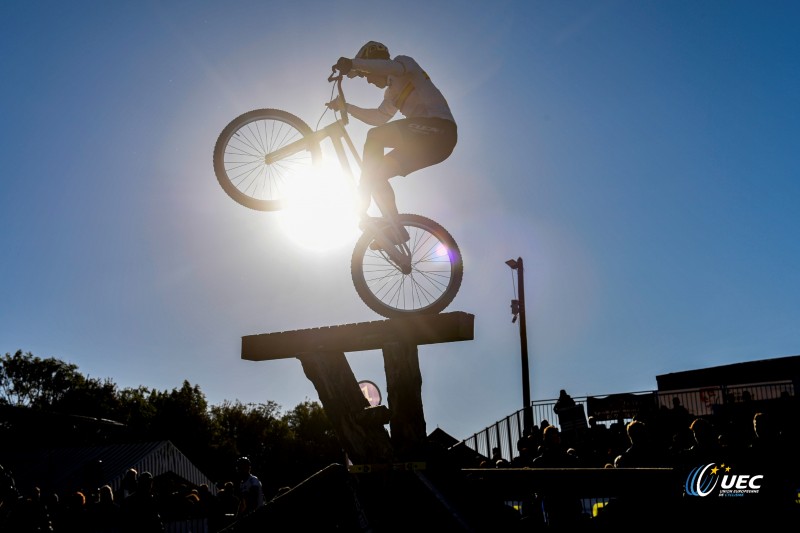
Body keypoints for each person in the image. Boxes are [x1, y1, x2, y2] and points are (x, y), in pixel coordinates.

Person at [328, 41, 457, 245]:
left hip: (440, 131)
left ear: (374, 62)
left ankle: (363, 194)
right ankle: (395, 228)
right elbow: (379, 118)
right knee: (377, 174)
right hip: (425, 144)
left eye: (367, 74)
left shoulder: (403, 64)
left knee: (374, 137)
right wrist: (347, 106)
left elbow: (386, 67)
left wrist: (354, 64)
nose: (369, 81)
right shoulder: (391, 93)